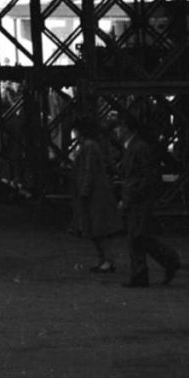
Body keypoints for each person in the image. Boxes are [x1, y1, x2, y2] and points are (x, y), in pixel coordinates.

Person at [113, 110, 180, 287]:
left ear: (126, 128)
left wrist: (132, 195)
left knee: (138, 237)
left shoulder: (138, 148)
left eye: (118, 128)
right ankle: (145, 272)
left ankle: (162, 263)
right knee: (138, 237)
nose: (116, 131)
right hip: (137, 199)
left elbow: (147, 176)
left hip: (139, 200)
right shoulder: (135, 146)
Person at [66, 114, 121, 273]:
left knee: (98, 229)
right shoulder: (91, 145)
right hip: (96, 192)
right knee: (97, 228)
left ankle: (106, 260)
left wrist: (83, 190)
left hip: (94, 194)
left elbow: (89, 170)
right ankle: (105, 259)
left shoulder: (88, 146)